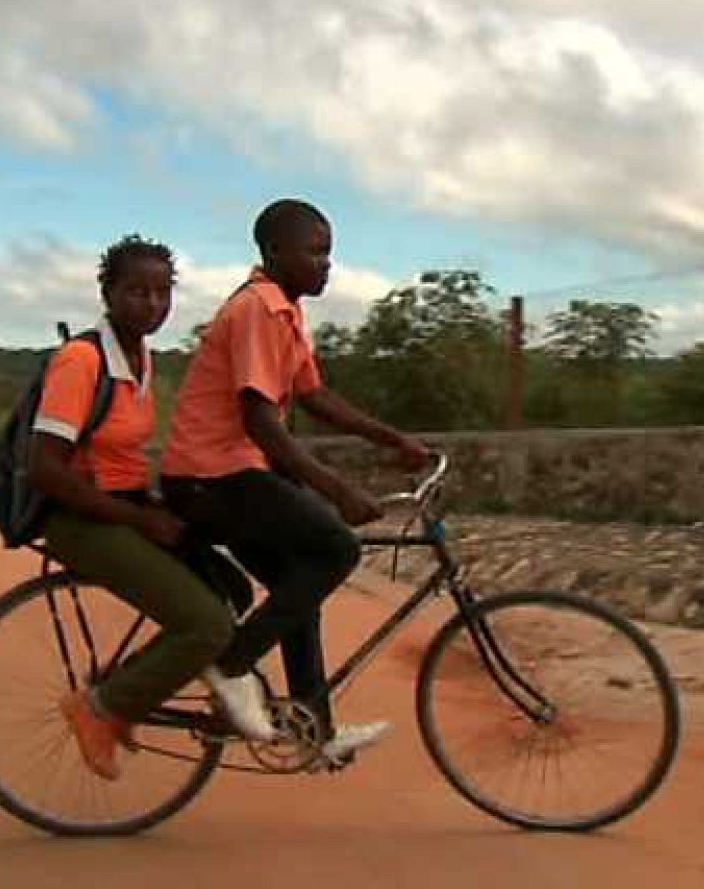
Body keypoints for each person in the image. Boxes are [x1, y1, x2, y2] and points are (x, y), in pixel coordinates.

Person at [161, 198, 429, 764]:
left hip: (233, 474)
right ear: (274, 252)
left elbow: (314, 395)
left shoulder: (286, 311)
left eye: (328, 252)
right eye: (315, 252)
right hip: (208, 479)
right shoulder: (257, 309)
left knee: (298, 583)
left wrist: (391, 439)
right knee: (335, 549)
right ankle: (230, 665)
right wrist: (335, 489)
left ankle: (314, 732)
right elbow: (261, 420)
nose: (326, 264)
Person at [36, 235, 250, 781]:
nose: (152, 305)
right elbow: (47, 469)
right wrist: (139, 519)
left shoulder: (142, 359)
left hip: (125, 508)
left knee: (233, 590)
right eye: (137, 292)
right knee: (206, 625)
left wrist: (157, 505)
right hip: (81, 520)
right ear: (108, 294)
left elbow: (121, 456)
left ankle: (128, 694)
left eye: (162, 293)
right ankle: (101, 708)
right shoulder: (82, 360)